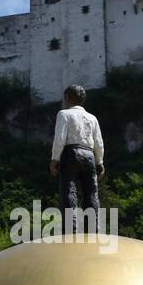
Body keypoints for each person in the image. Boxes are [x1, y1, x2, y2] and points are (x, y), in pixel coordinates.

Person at [49, 85, 104, 231]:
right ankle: (93, 229)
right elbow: (98, 142)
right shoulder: (92, 118)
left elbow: (59, 139)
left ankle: (70, 229)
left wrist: (55, 159)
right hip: (89, 155)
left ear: (67, 97)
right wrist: (100, 162)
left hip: (71, 153)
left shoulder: (64, 114)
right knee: (91, 193)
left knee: (69, 191)